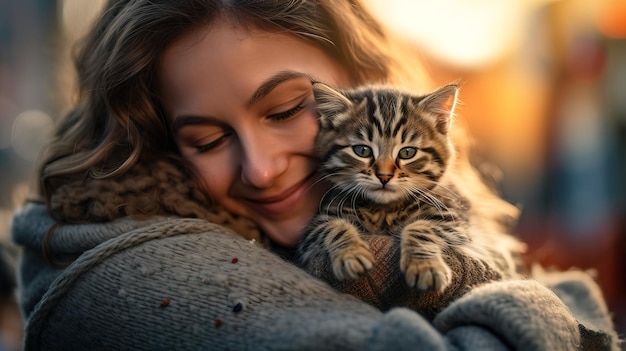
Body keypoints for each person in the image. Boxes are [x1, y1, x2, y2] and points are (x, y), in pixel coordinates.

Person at [10, 0, 621, 350]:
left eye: (285, 110)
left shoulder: (390, 199)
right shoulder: (138, 273)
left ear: (362, 73)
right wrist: (561, 302)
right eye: (206, 139)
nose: (263, 167)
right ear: (157, 139)